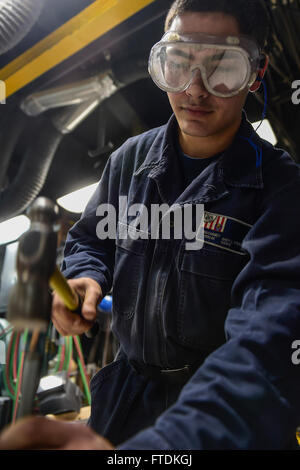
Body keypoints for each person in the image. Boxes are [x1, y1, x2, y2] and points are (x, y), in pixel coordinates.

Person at [1, 0, 300, 450]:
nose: (195, 89)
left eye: (224, 68)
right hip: (126, 396)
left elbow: (267, 342)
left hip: (217, 410)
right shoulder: (129, 161)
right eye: (178, 64)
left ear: (256, 73)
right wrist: (86, 276)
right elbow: (92, 240)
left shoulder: (281, 188)